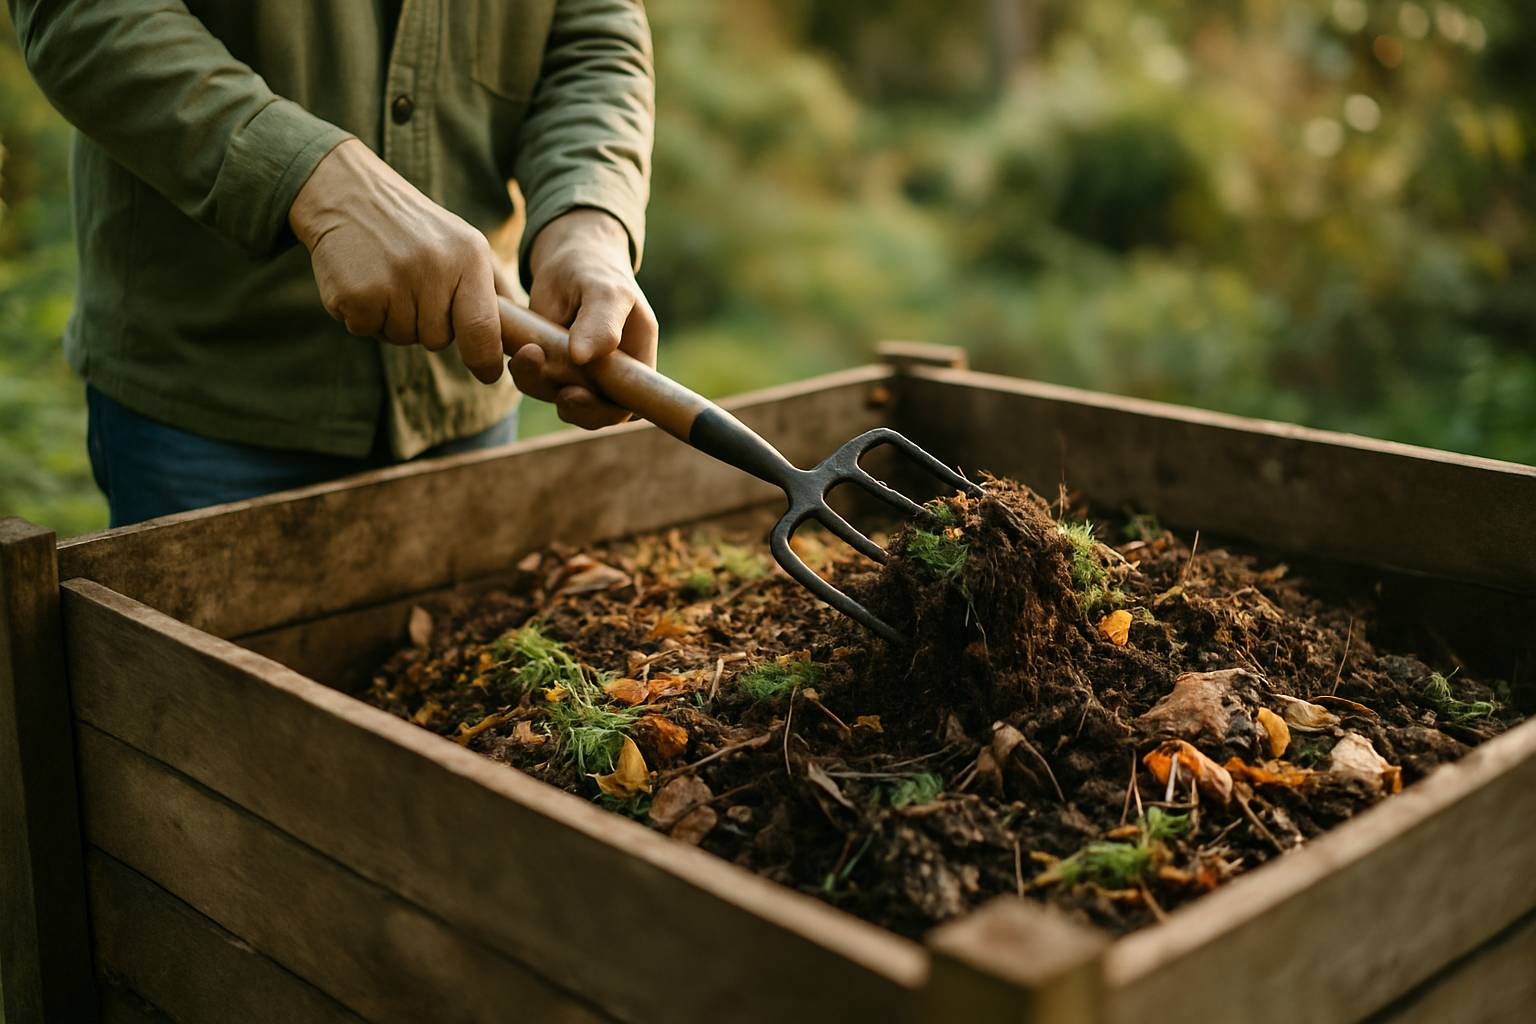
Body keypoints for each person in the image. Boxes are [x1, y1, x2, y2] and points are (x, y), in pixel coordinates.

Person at [8, 0, 657, 526]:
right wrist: (307, 176)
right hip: (206, 405)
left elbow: (592, 34)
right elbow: (83, 13)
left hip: (463, 396)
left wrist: (588, 215)